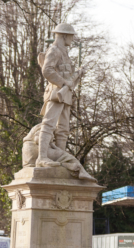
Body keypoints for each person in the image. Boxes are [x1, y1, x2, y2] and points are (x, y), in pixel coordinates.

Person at [36, 23, 84, 167]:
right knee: (49, 124)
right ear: (64, 35)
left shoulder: (64, 52)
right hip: (57, 93)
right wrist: (64, 83)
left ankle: (60, 159)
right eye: (71, 36)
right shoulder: (55, 50)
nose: (72, 39)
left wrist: (77, 76)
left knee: (63, 129)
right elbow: (47, 71)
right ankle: (42, 157)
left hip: (66, 95)